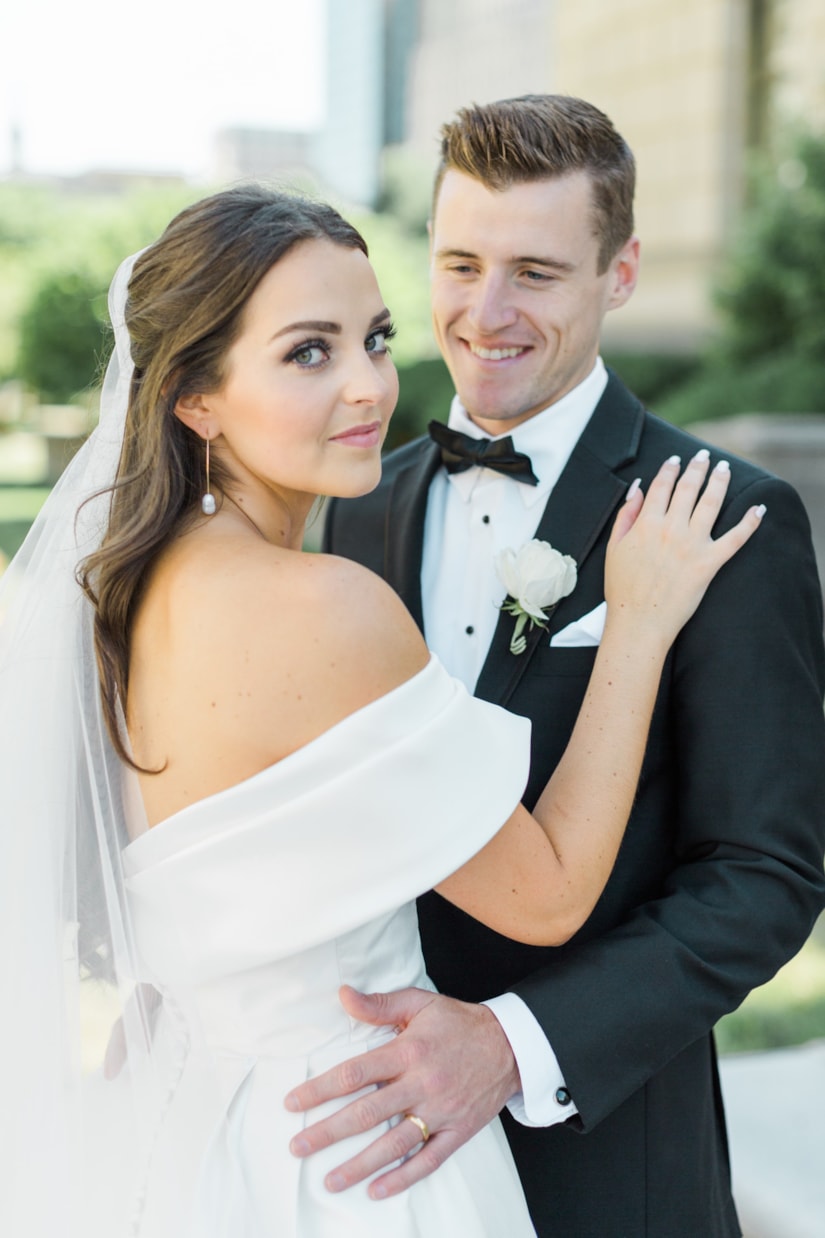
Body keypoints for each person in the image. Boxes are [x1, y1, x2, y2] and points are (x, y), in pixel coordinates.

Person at [0, 185, 761, 1237]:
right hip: (354, 1154)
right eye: (308, 352)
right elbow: (544, 898)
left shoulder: (117, 594)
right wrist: (632, 620)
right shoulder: (321, 602)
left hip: (188, 1130)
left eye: (376, 336)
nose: (369, 386)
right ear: (195, 398)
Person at [283, 96, 825, 1236]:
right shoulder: (364, 506)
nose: (486, 313)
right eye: (461, 263)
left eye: (535, 271)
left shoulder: (729, 517)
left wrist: (513, 1043)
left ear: (619, 273)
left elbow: (764, 874)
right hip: (370, 1156)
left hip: (607, 1160)